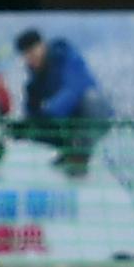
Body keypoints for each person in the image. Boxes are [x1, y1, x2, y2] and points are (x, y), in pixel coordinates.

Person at [14, 27, 112, 177]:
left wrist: (47, 113)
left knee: (90, 98)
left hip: (94, 116)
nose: (31, 57)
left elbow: (75, 88)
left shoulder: (66, 57)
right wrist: (24, 125)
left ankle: (78, 157)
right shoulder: (34, 81)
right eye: (26, 54)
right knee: (32, 128)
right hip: (68, 122)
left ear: (43, 45)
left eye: (33, 50)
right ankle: (69, 154)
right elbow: (32, 113)